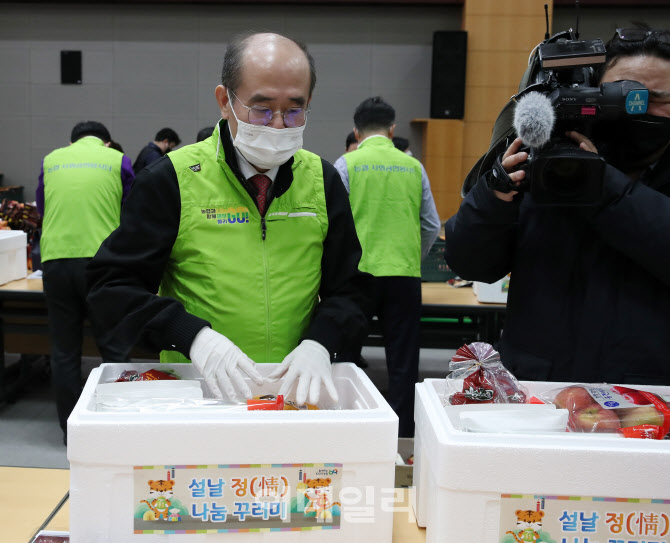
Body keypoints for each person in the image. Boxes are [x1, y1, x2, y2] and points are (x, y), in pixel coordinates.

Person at [87, 32, 370, 407]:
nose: (279, 125)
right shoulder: (173, 179)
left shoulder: (322, 181)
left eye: (294, 109)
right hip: (199, 392)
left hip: (293, 392)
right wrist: (193, 337)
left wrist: (321, 343)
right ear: (225, 101)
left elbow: (349, 289)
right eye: (262, 108)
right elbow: (112, 287)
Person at [444, 25, 670, 385]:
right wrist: (494, 195)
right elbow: (470, 262)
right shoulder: (543, 159)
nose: (637, 107)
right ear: (594, 93)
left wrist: (603, 187)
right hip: (538, 391)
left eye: (658, 99)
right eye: (624, 94)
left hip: (645, 401)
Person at [333, 97, 440, 436]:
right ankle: (402, 434)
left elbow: (333, 226)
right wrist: (411, 256)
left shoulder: (346, 164)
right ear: (392, 129)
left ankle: (347, 425)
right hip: (404, 275)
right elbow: (431, 225)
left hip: (358, 275)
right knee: (403, 362)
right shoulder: (414, 167)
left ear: (356, 130)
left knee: (347, 356)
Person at [36, 120, 134, 444]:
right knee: (114, 346)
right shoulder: (116, 159)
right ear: (107, 142)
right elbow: (133, 209)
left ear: (72, 142)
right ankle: (117, 426)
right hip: (102, 262)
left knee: (64, 351)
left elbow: (41, 205)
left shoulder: (51, 160)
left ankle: (71, 431)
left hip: (56, 260)